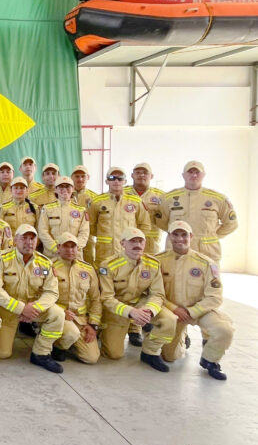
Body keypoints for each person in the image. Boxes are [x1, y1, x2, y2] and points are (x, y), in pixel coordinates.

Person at [158, 221, 233, 380]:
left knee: (223, 329)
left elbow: (215, 296)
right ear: (169, 237)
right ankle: (182, 340)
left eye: (184, 234)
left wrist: (192, 311)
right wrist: (174, 309)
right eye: (175, 234)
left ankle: (210, 361)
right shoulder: (158, 261)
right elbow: (152, 292)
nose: (180, 239)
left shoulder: (206, 263)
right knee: (169, 357)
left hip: (200, 311)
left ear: (191, 236)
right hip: (173, 314)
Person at [0, 225, 65, 373]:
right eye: (24, 238)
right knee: (2, 354)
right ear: (15, 239)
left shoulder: (45, 263)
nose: (29, 242)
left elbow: (52, 292)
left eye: (32, 238)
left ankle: (41, 353)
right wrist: (22, 308)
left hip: (34, 309)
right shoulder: (1, 259)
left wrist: (35, 308)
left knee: (57, 314)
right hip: (8, 312)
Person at [98, 228, 176, 372]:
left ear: (145, 243)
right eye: (132, 241)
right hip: (117, 308)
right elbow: (107, 298)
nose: (137, 245)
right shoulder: (108, 265)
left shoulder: (153, 263)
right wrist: (131, 312)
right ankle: (105, 332)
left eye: (140, 241)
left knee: (169, 319)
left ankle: (150, 353)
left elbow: (158, 294)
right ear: (122, 243)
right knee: (114, 354)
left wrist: (149, 311)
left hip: (141, 303)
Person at [156, 160, 238, 263]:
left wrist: (211, 236)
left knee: (210, 279)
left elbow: (231, 224)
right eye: (190, 172)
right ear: (183, 175)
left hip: (207, 253)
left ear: (203, 175)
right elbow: (160, 221)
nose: (194, 175)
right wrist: (177, 235)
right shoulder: (168, 198)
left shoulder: (218, 199)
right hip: (176, 251)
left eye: (197, 172)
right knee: (174, 278)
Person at [50, 233, 101, 364]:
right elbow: (42, 297)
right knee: (70, 333)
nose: (70, 250)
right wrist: (61, 313)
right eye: (66, 246)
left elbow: (95, 299)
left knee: (91, 358)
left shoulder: (87, 269)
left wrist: (93, 325)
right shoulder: (50, 267)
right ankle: (58, 347)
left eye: (73, 247)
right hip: (59, 317)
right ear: (58, 248)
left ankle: (70, 343)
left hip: (81, 320)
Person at [88, 166, 151, 267]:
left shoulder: (135, 201)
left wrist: (134, 242)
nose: (116, 181)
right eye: (112, 178)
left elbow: (145, 225)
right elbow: (90, 226)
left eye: (120, 178)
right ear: (106, 181)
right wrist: (105, 236)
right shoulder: (97, 201)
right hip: (105, 252)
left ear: (125, 181)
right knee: (104, 280)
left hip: (128, 253)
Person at [37, 176, 90, 260]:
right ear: (56, 189)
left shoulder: (81, 211)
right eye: (61, 186)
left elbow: (84, 234)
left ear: (72, 189)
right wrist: (56, 248)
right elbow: (42, 231)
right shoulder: (47, 209)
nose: (64, 189)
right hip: (52, 255)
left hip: (74, 256)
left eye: (67, 186)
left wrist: (72, 249)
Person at [125, 163, 165, 253]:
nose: (141, 175)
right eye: (138, 172)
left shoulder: (161, 196)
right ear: (132, 175)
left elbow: (166, 221)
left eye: (145, 173)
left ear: (151, 176)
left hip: (151, 245)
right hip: (128, 242)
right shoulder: (123, 193)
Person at [70, 165, 97, 264]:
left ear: (88, 177)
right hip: (70, 238)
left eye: (83, 176)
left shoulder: (95, 198)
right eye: (77, 176)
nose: (80, 179)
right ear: (71, 177)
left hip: (88, 241)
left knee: (88, 266)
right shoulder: (65, 195)